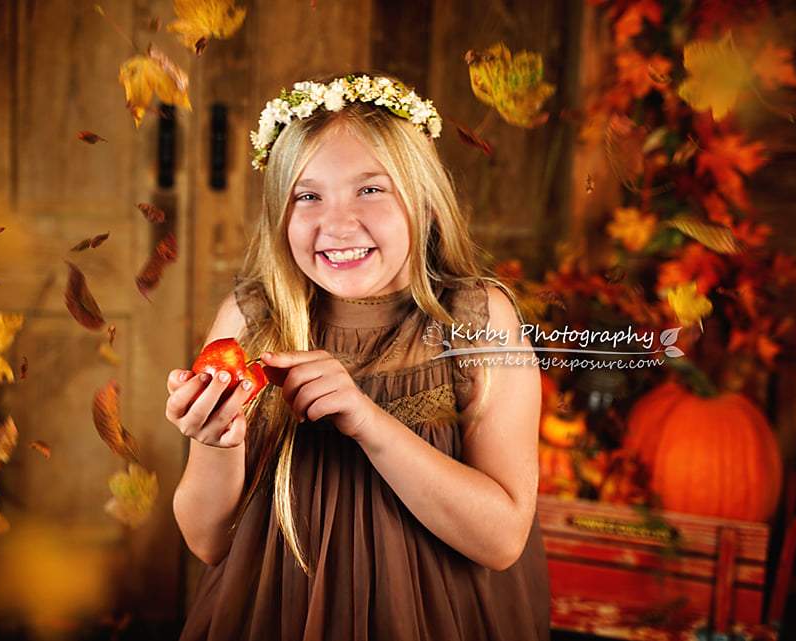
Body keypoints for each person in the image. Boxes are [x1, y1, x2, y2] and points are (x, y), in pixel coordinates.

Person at [165, 71, 550, 641]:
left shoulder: (478, 321)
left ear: (424, 200)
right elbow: (206, 541)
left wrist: (369, 423)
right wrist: (215, 443)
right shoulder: (251, 322)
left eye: (370, 190)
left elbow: (501, 540)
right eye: (307, 196)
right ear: (279, 213)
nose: (338, 223)